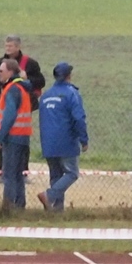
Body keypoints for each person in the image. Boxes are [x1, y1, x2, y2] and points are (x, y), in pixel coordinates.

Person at [36, 62, 88, 212]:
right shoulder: (71, 93)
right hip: (66, 142)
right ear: (69, 76)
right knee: (72, 173)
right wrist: (84, 140)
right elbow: (79, 118)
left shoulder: (46, 95)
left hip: (48, 142)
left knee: (56, 176)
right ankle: (49, 196)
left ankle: (56, 210)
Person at [0, 60, 34, 211]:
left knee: (9, 175)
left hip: (12, 137)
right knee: (18, 174)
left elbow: (9, 116)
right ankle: (19, 205)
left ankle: (9, 207)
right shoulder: (22, 88)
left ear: (10, 72)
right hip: (23, 137)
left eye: (1, 71)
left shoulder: (12, 89)